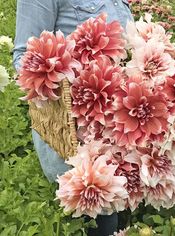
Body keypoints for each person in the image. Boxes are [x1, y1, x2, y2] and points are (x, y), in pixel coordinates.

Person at [13, 1, 133, 235]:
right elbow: (23, 58)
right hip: (77, 139)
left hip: (121, 134)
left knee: (119, 216)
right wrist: (62, 76)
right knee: (99, 223)